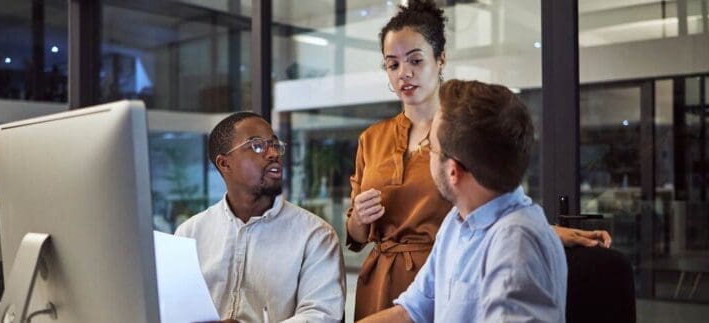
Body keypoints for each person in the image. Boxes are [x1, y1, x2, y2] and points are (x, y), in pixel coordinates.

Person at [345, 0, 610, 320]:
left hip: (454, 273)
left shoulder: (465, 132)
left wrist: (542, 231)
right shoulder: (373, 140)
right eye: (393, 64)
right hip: (390, 285)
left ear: (440, 60)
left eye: (415, 60)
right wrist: (358, 220)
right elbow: (408, 297)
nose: (405, 73)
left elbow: (498, 200)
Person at [360, 79, 567, 322]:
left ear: (453, 171)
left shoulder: (515, 246)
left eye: (431, 149)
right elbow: (411, 311)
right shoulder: (457, 222)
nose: (426, 154)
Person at [175, 112, 345, 322]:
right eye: (257, 145)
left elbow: (323, 316)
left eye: (275, 145)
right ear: (224, 164)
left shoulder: (315, 235)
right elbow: (174, 310)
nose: (273, 153)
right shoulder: (189, 234)